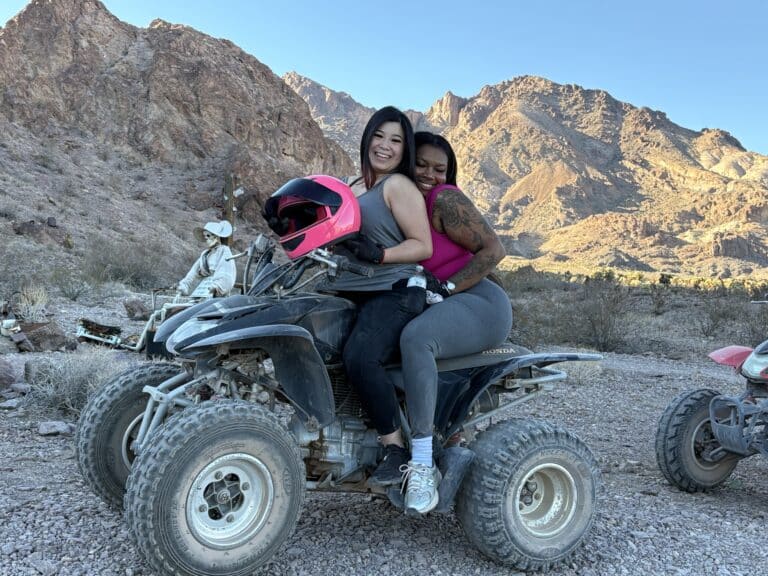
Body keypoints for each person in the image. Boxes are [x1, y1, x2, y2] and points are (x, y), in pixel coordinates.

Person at [397, 132, 513, 514]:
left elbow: (494, 249)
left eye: (439, 168)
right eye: (422, 164)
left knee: (416, 340)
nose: (430, 174)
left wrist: (444, 289)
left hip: (477, 301)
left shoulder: (443, 199)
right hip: (443, 301)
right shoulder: (399, 202)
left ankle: (421, 462)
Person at [328, 106, 432, 487]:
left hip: (395, 289)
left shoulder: (397, 187)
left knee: (360, 355)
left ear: (405, 150)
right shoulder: (353, 185)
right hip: (351, 289)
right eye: (379, 136)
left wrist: (381, 254)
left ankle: (395, 449)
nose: (385, 146)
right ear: (367, 137)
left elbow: (422, 247)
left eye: (396, 140)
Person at [177, 220, 237, 297]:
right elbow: (193, 271)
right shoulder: (205, 254)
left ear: (216, 236)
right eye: (205, 237)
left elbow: (225, 269)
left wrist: (218, 286)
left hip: (215, 291)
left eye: (208, 236)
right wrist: (184, 285)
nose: (206, 239)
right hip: (202, 288)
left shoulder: (223, 250)